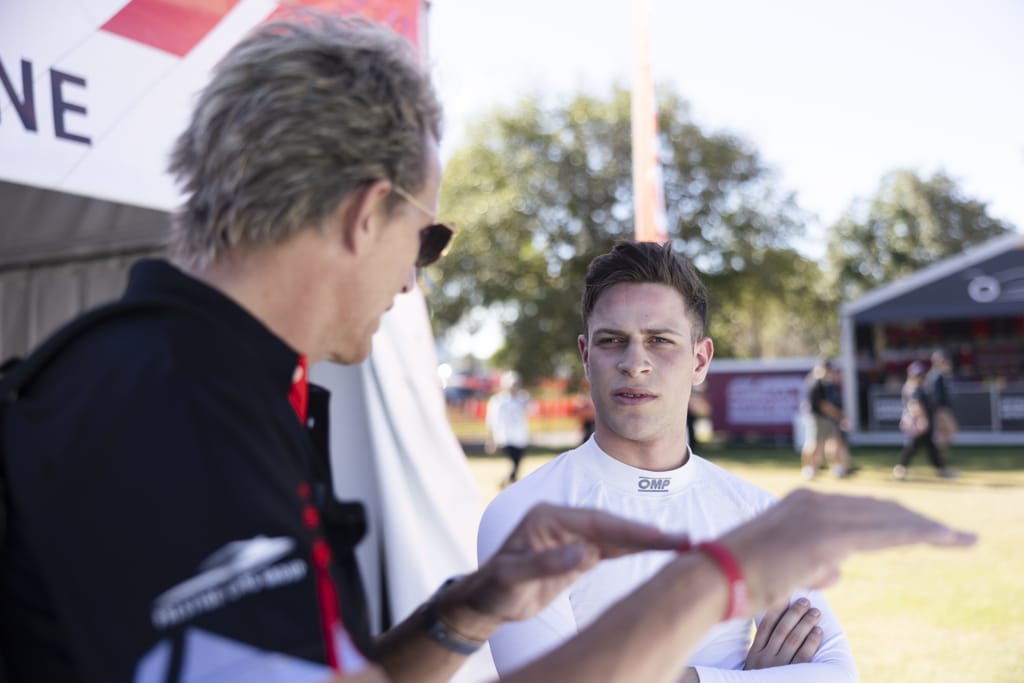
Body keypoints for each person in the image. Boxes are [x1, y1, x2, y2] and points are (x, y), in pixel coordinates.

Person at [0, 12, 976, 683]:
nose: (413, 281)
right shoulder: (172, 405)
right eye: (426, 237)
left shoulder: (209, 383)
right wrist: (724, 575)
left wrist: (469, 608)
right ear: (367, 213)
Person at [478, 242, 857, 681]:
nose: (634, 363)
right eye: (612, 341)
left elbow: (838, 673)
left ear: (700, 360)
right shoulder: (523, 518)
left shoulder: (758, 516)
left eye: (659, 340)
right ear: (586, 356)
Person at [894, 361, 957, 481]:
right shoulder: (913, 388)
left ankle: (941, 469)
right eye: (918, 375)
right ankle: (900, 468)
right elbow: (915, 405)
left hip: (925, 422)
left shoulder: (921, 387)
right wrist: (922, 419)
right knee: (914, 446)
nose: (921, 378)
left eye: (922, 375)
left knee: (928, 447)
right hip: (919, 423)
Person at [800, 359, 850, 480]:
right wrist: (840, 416)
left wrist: (838, 415)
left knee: (834, 442)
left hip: (828, 418)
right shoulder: (816, 383)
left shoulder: (827, 383)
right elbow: (823, 405)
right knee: (816, 444)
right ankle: (810, 469)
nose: (828, 372)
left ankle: (837, 468)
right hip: (818, 418)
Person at [486, 371, 532, 485]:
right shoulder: (498, 401)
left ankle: (509, 480)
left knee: (517, 463)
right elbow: (492, 420)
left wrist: (527, 403)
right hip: (505, 437)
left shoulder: (523, 398)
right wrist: (491, 439)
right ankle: (511, 480)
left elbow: (532, 411)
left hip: (520, 436)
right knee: (514, 462)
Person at [925, 349, 958, 458]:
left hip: (942, 409)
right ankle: (936, 456)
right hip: (940, 409)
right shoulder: (936, 375)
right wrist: (939, 411)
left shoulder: (941, 375)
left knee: (945, 433)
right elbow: (935, 396)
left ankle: (938, 457)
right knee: (948, 431)